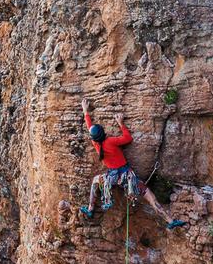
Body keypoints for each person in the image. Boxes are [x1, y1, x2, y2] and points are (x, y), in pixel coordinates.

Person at [79, 97, 185, 230]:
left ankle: (90, 208)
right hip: (127, 176)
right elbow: (128, 138)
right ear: (104, 133)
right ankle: (170, 221)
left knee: (95, 181)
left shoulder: (97, 145)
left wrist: (85, 111)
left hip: (112, 178)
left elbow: (90, 128)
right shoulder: (111, 141)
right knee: (150, 196)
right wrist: (121, 123)